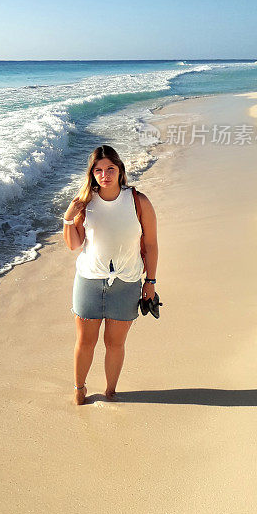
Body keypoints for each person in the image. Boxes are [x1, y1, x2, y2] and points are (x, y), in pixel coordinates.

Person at [62, 144, 158, 405]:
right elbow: (73, 245)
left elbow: (150, 244)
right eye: (98, 170)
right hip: (89, 281)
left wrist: (150, 282)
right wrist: (68, 219)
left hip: (126, 282)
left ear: (120, 170)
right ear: (92, 174)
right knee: (85, 342)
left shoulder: (138, 201)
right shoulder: (85, 203)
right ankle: (79, 389)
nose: (105, 175)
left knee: (115, 344)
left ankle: (110, 391)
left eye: (110, 169)